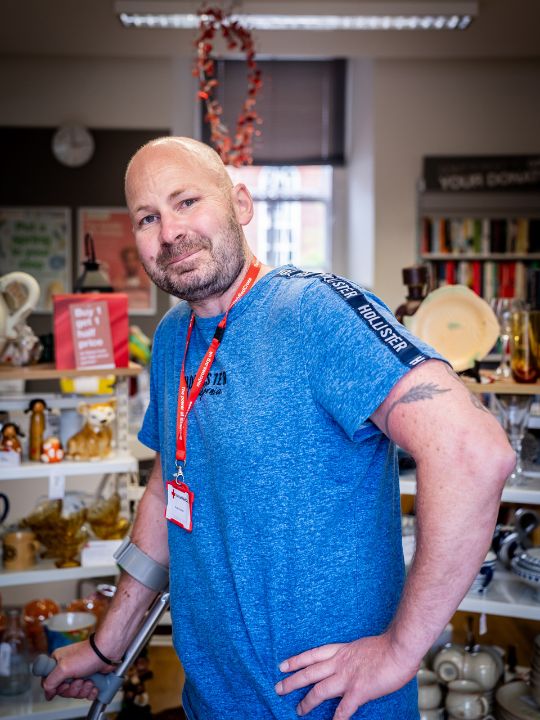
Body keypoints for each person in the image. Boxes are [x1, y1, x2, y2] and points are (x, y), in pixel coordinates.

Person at [42, 137, 515, 720]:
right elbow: (169, 491)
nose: (169, 232)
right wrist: (106, 644)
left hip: (332, 708)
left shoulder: (315, 313)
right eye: (148, 217)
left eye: (187, 201)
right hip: (211, 703)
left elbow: (474, 452)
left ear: (240, 203)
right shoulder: (171, 339)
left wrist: (398, 652)